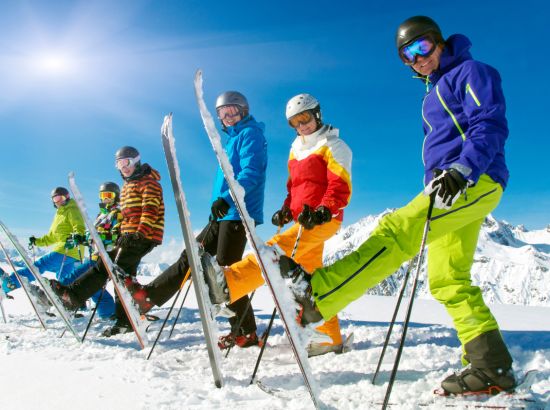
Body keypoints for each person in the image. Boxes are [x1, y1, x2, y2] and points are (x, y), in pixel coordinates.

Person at [278, 15, 515, 394]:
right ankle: (490, 366)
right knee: (447, 280)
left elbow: (488, 122)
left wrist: (463, 168)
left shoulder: (471, 71)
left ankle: (318, 293)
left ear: (439, 41)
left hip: (473, 179)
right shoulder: (431, 93)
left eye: (422, 47)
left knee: (396, 230)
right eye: (407, 55)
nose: (417, 58)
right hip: (449, 185)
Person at [218, 93, 352, 356]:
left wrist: (324, 210)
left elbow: (339, 186)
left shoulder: (334, 146)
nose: (302, 125)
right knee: (314, 283)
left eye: (305, 118)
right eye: (295, 122)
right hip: (303, 222)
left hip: (322, 220)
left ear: (317, 114)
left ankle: (228, 284)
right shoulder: (296, 148)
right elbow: (295, 188)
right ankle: (329, 337)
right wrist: (286, 210)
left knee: (273, 252)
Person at [135, 91, 268, 350]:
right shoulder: (232, 139)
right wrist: (218, 205)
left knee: (225, 275)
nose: (228, 116)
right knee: (192, 256)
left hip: (238, 213)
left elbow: (251, 174)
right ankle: (147, 297)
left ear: (244, 110)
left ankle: (246, 332)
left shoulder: (251, 134)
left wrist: (227, 200)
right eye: (223, 113)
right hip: (223, 213)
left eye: (233, 111)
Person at [50, 146, 164, 336]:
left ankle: (74, 296)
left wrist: (139, 233)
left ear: (136, 160)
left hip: (143, 236)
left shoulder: (148, 183)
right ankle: (125, 319)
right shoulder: (128, 185)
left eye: (126, 162)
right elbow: (128, 218)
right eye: (119, 163)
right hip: (128, 237)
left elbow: (150, 211)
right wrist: (122, 234)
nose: (123, 166)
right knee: (120, 274)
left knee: (109, 268)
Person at [0, 187, 85, 294]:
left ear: (67, 197)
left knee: (39, 266)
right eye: (56, 199)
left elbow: (79, 225)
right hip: (71, 252)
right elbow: (51, 237)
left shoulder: (71, 209)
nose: (59, 201)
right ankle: (75, 302)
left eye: (61, 198)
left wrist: (78, 236)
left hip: (67, 248)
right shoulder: (60, 214)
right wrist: (37, 241)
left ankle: (12, 282)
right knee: (64, 279)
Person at [62, 182, 122, 319]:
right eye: (103, 195)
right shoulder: (100, 216)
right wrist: (82, 239)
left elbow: (117, 236)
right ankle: (109, 313)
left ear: (116, 196)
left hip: (105, 257)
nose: (105, 198)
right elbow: (92, 237)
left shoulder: (117, 214)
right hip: (95, 256)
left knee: (72, 279)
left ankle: (60, 303)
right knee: (93, 288)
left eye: (109, 195)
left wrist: (96, 237)